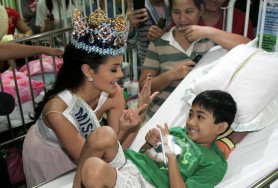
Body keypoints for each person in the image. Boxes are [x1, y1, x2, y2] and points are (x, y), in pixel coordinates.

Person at [22, 8, 157, 188]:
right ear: (88, 71)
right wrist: (122, 132)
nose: (120, 75)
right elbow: (92, 159)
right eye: (113, 69)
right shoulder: (58, 111)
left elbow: (115, 153)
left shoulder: (114, 94)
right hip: (49, 155)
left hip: (86, 155)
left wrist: (134, 121)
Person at [73, 90, 237, 187]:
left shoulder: (214, 163)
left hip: (147, 184)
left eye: (200, 117)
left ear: (220, 127)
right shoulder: (178, 132)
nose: (191, 121)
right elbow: (145, 155)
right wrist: (149, 143)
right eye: (190, 114)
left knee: (93, 169)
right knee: (104, 133)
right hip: (129, 166)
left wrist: (171, 155)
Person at [139, 0, 249, 121]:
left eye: (189, 11)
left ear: (201, 11)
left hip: (197, 122)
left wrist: (209, 32)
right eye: (176, 12)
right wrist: (171, 75)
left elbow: (248, 46)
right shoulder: (159, 43)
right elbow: (143, 86)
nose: (182, 18)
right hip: (159, 117)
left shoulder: (210, 42)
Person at [147, 0, 255, 41]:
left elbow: (250, 49)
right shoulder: (187, 13)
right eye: (176, 12)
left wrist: (209, 32)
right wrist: (156, 35)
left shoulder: (240, 19)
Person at [127, 0, 171, 67]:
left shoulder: (174, 6)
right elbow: (127, 47)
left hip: (173, 65)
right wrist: (130, 26)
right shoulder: (136, 11)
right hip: (149, 69)